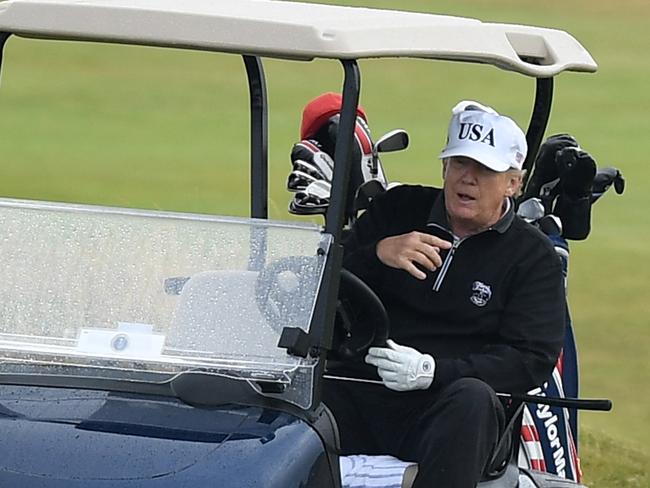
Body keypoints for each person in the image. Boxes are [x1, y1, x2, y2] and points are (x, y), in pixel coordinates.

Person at [322, 100, 566, 487]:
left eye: (485, 170)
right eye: (459, 164)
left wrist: (432, 371)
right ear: (444, 168)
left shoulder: (532, 257)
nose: (467, 179)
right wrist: (378, 253)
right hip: (360, 388)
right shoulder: (396, 210)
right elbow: (323, 281)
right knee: (295, 395)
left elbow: (529, 359)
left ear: (513, 183)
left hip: (443, 405)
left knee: (472, 400)